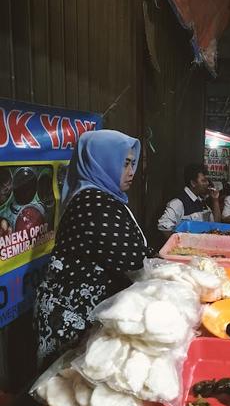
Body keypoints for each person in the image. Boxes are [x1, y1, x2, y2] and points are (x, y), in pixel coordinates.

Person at [34, 130, 153, 368]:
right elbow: (135, 260)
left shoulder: (101, 196)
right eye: (124, 163)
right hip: (74, 319)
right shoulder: (93, 203)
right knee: (68, 389)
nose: (131, 171)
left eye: (132, 163)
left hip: (86, 312)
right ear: (101, 163)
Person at [158, 163, 221, 235]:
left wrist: (215, 200)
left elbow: (216, 225)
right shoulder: (178, 202)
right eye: (203, 181)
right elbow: (163, 227)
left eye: (207, 181)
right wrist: (181, 242)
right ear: (193, 183)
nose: (207, 183)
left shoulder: (202, 202)